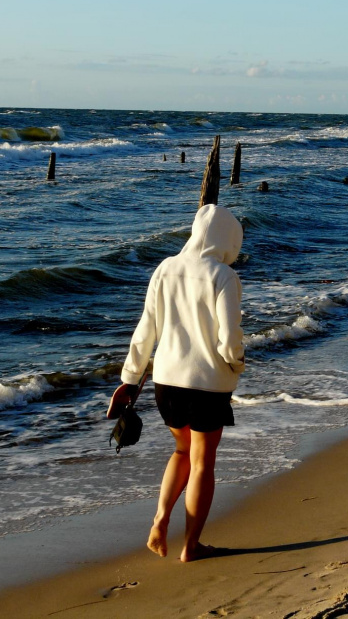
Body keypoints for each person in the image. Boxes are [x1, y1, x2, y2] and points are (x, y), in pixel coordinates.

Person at [108, 204, 245, 561]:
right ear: (229, 240)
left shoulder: (165, 269)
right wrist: (236, 363)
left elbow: (145, 329)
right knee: (202, 463)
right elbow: (229, 338)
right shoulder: (223, 276)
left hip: (165, 383)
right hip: (208, 384)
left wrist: (128, 378)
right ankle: (191, 546)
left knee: (181, 451)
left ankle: (159, 521)